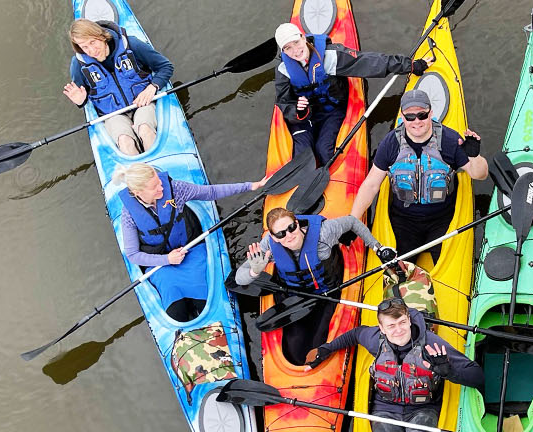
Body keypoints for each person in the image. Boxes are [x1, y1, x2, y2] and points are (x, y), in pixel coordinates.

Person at [305, 299, 483, 432]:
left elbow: (477, 375)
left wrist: (448, 370)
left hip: (423, 410)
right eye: (391, 326)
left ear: (408, 320)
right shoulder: (375, 340)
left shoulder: (432, 345)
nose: (398, 330)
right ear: (382, 328)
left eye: (402, 323)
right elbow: (356, 334)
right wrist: (327, 348)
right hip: (385, 409)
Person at [234, 207, 397, 364]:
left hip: (328, 291)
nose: (289, 235)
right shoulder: (268, 246)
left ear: (297, 223)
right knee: (296, 351)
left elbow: (352, 222)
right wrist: (255, 272)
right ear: (274, 237)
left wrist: (378, 248)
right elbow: (239, 278)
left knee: (318, 342)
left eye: (291, 228)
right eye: (281, 234)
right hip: (295, 295)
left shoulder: (324, 233)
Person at [114, 163, 268, 321]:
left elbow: (211, 192)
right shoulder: (128, 215)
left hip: (190, 251)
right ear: (138, 192)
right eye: (155, 187)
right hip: (161, 265)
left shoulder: (175, 189)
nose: (161, 187)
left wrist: (251, 186)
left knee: (204, 306)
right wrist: (167, 259)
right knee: (177, 314)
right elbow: (133, 255)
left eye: (159, 182)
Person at [350, 89, 489, 263]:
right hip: (404, 221)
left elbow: (480, 175)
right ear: (402, 116)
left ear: (431, 113)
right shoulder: (390, 143)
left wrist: (474, 156)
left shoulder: (450, 140)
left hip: (442, 218)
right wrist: (353, 221)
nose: (416, 121)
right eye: (410, 117)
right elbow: (371, 185)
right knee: (397, 270)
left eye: (422, 115)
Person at [274, 23, 432, 166]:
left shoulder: (331, 56)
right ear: (283, 51)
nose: (295, 51)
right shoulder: (283, 70)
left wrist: (410, 65)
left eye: (296, 42)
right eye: (288, 48)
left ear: (303, 37)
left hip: (332, 110)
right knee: (301, 159)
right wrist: (298, 111)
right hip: (305, 118)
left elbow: (368, 62)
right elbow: (284, 103)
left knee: (325, 152)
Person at [64, 19, 174, 156]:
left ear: (102, 36)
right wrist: (81, 101)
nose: (91, 51)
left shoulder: (132, 45)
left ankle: (160, 172)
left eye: (93, 42)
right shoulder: (78, 65)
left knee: (145, 130)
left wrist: (153, 87)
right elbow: (83, 98)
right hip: (113, 115)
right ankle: (142, 175)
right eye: (84, 47)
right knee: (125, 141)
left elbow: (165, 67)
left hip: (142, 103)